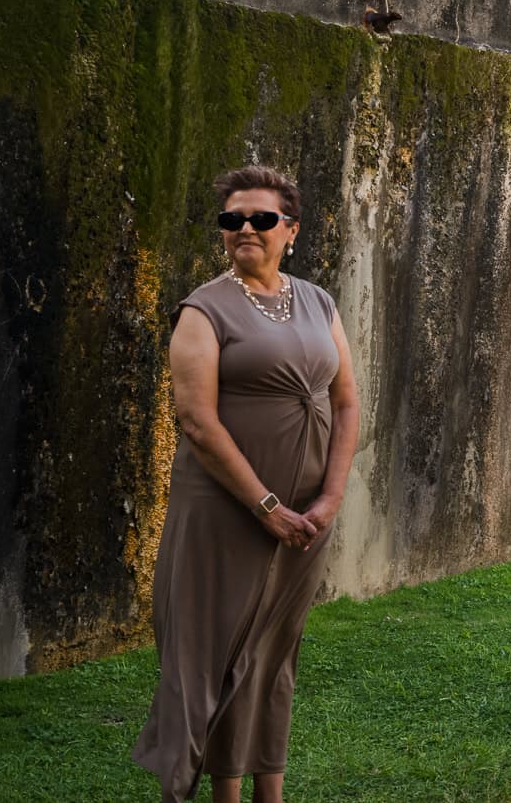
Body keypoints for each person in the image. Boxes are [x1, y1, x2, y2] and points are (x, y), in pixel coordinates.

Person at [134, 165, 361, 803]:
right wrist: (266, 506)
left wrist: (329, 498)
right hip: (227, 512)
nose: (245, 229)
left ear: (291, 229)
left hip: (305, 519)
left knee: (273, 653)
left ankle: (271, 792)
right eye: (232, 219)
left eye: (261, 219)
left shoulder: (318, 301)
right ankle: (223, 794)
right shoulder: (205, 309)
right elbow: (197, 422)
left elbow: (346, 403)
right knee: (213, 652)